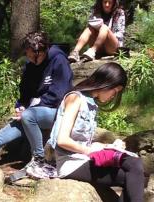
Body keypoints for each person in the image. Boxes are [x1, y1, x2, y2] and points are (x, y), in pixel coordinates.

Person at [0, 31, 73, 178]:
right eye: (29, 55)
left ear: (44, 50)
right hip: (30, 115)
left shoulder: (59, 60)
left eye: (35, 55)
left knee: (28, 116)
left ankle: (39, 160)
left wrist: (29, 110)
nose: (31, 59)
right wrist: (21, 107)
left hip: (56, 113)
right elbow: (24, 94)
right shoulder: (29, 66)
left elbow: (58, 95)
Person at [48, 62, 144, 202]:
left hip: (83, 159)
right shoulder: (75, 98)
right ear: (107, 83)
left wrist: (104, 147)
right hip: (71, 164)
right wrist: (90, 150)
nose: (113, 96)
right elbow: (62, 140)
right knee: (134, 167)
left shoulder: (91, 104)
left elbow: (80, 140)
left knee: (133, 172)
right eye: (114, 91)